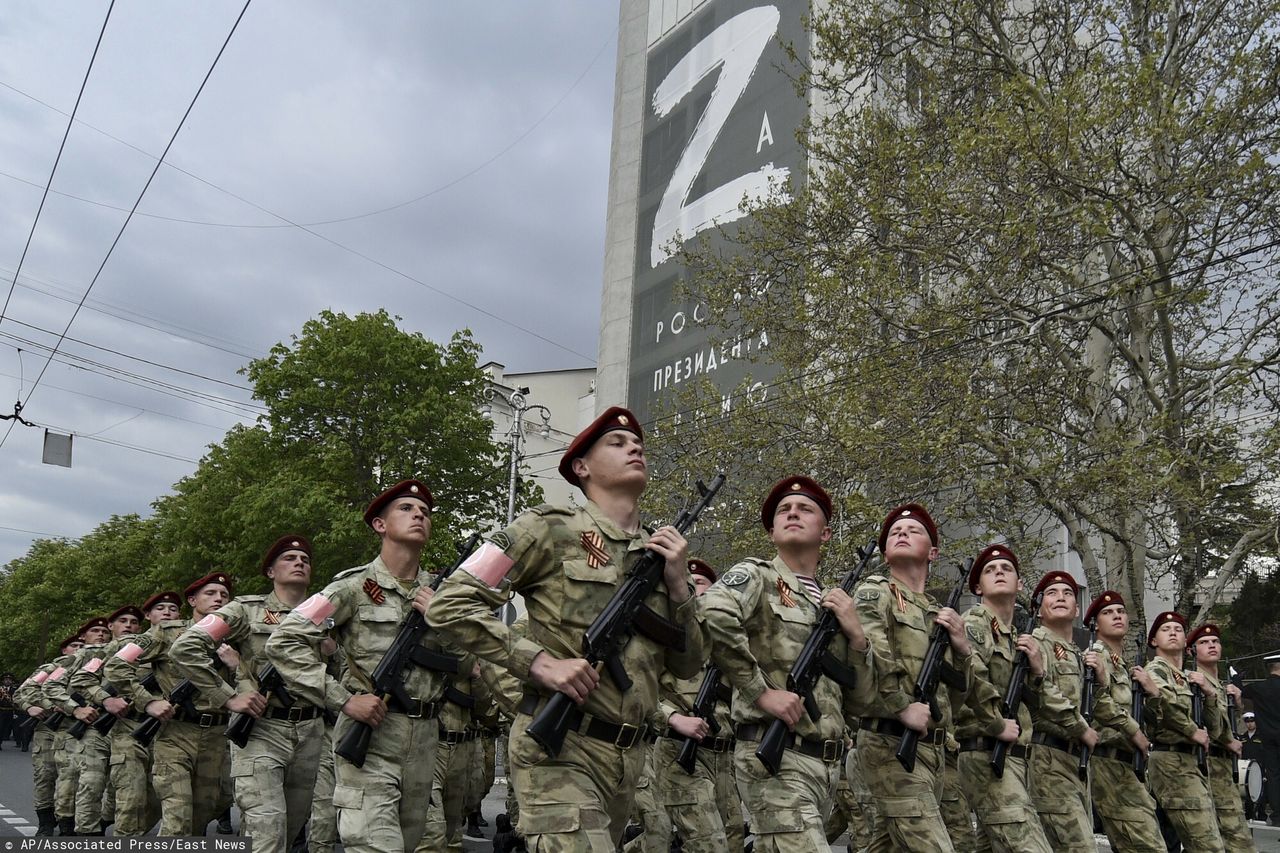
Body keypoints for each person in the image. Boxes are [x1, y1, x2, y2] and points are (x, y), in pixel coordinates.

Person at [426, 407, 707, 852]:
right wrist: (537, 662)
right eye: (616, 443)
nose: (634, 447)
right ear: (581, 467)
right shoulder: (547, 527)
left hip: (627, 758)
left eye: (637, 443)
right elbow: (450, 602)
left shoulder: (664, 557)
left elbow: (689, 662)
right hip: (559, 749)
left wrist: (679, 589)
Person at [267, 479, 450, 853]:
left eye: (425, 512)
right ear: (379, 526)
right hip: (371, 734)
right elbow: (284, 640)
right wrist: (342, 699)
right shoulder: (349, 588)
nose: (418, 514)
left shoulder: (442, 594)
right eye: (406, 509)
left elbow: (465, 662)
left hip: (426, 739)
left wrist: (445, 618)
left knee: (415, 844)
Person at [701, 476, 873, 853]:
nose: (793, 512)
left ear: (825, 533)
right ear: (771, 530)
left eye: (805, 508)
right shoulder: (758, 577)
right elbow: (711, 614)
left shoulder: (832, 605)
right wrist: (761, 693)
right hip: (774, 759)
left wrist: (858, 637)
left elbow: (860, 701)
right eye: (784, 510)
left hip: (824, 766)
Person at [170, 536, 325, 853]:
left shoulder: (323, 614)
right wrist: (227, 697)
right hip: (261, 730)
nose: (298, 563)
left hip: (311, 731)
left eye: (304, 560)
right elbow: (186, 647)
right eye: (289, 558)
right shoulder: (244, 610)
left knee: (291, 829)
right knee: (267, 831)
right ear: (270, 571)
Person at [853, 502, 973, 852]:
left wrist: (964, 650)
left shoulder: (940, 615)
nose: (902, 533)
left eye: (913, 530)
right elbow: (874, 653)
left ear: (933, 552)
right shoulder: (876, 591)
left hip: (932, 752)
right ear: (886, 553)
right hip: (890, 742)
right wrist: (902, 705)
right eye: (895, 533)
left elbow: (957, 699)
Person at [105, 572, 236, 836]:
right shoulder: (166, 633)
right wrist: (148, 702)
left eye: (224, 595)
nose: (218, 598)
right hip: (175, 735)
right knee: (177, 817)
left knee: (202, 817)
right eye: (210, 594)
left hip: (217, 737)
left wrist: (237, 665)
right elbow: (117, 665)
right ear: (192, 600)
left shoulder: (236, 637)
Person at [953, 544, 1052, 853]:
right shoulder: (974, 625)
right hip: (986, 753)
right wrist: (996, 724)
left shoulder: (1014, 638)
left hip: (1014, 758)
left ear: (1019, 584)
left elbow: (1036, 707)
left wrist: (1036, 672)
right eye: (990, 570)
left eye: (1006, 569)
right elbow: (972, 680)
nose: (999, 572)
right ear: (978, 587)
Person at [654, 560, 743, 853]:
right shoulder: (665, 633)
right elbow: (636, 691)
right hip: (680, 752)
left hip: (725, 757)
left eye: (702, 584)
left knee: (731, 842)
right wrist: (673, 718)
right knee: (709, 845)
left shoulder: (730, 639)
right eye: (689, 583)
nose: (695, 589)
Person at [1024, 571, 1102, 852]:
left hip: (1078, 764)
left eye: (1068, 593)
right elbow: (1040, 697)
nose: (1061, 598)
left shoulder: (1079, 654)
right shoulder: (1036, 643)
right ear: (1039, 609)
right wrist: (1081, 728)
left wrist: (1101, 680)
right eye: (1052, 593)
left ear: (1077, 608)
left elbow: (1094, 711)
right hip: (1049, 762)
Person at [1083, 591, 1163, 851]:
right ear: (1095, 624)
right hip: (1108, 762)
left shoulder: (1124, 665)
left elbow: (1152, 721)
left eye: (1120, 611)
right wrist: (1134, 731)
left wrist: (1152, 694)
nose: (1116, 616)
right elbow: (1097, 703)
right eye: (1107, 613)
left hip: (1129, 766)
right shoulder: (1096, 657)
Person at [102, 590, 181, 837]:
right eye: (160, 608)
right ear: (149, 615)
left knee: (159, 798)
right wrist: (106, 699)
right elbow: (91, 678)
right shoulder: (125, 646)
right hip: (129, 728)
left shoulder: (184, 644)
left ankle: (128, 832)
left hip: (166, 730)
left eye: (172, 609)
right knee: (131, 796)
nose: (167, 612)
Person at [1144, 611, 1225, 850]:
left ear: (1186, 642)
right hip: (1170, 760)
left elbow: (1216, 730)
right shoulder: (1156, 670)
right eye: (1166, 629)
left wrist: (1209, 694)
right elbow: (1166, 706)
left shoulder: (1189, 678)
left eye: (1178, 629)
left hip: (1191, 763)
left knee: (1180, 842)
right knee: (1207, 844)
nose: (1173, 633)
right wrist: (1191, 731)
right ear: (1154, 641)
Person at [68, 604, 144, 835]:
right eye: (123, 621)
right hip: (98, 727)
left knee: (122, 788)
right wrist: (77, 709)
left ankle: (105, 822)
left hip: (134, 727)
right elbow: (74, 684)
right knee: (92, 783)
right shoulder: (97, 654)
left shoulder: (150, 650)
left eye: (133, 622)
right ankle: (87, 833)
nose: (129, 626)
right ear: (112, 627)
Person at [1187, 623, 1251, 851]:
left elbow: (1240, 734)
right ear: (1191, 651)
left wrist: (1239, 704)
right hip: (1205, 766)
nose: (1211, 645)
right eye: (1203, 643)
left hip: (1225, 769)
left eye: (1215, 641)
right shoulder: (1192, 681)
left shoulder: (1225, 687)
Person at [45, 618, 111, 835]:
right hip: (72, 728)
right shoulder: (77, 658)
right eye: (95, 630)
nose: (101, 634)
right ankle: (66, 824)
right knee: (71, 779)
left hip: (110, 725)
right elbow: (48, 686)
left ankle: (94, 823)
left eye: (104, 630)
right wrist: (72, 708)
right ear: (83, 636)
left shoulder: (113, 654)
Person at [14, 634, 85, 835]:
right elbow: (21, 692)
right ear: (64, 650)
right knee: (45, 776)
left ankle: (67, 824)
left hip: (75, 730)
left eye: (82, 645)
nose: (79, 648)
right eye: (74, 645)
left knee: (71, 779)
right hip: (48, 728)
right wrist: (30, 707)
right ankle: (45, 823)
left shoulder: (91, 669)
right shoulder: (54, 668)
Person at [1242, 653, 1280, 826]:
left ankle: (1278, 815)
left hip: (1268, 739)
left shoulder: (1259, 688)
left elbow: (1241, 690)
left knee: (1273, 775)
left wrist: (1236, 677)